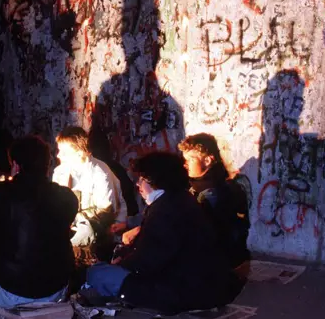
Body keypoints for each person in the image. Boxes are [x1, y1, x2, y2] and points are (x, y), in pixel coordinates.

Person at [86, 152, 243, 315]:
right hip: (197, 283)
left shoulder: (164, 210)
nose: (138, 186)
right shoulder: (179, 199)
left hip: (181, 291)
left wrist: (121, 265)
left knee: (97, 272)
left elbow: (148, 261)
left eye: (141, 179)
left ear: (155, 180)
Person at [0, 135, 79, 308]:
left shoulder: (0, 194)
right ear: (47, 167)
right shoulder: (67, 197)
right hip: (57, 292)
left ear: (16, 165)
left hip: (11, 294)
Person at [178, 133, 251, 277]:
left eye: (190, 159)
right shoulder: (191, 185)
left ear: (207, 160)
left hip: (214, 262)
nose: (185, 164)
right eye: (185, 159)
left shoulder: (217, 191)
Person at [52, 126, 127, 247]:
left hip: (101, 231)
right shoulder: (59, 172)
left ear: (80, 153)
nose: (59, 155)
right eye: (59, 150)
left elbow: (105, 212)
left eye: (64, 152)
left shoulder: (101, 173)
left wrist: (73, 218)